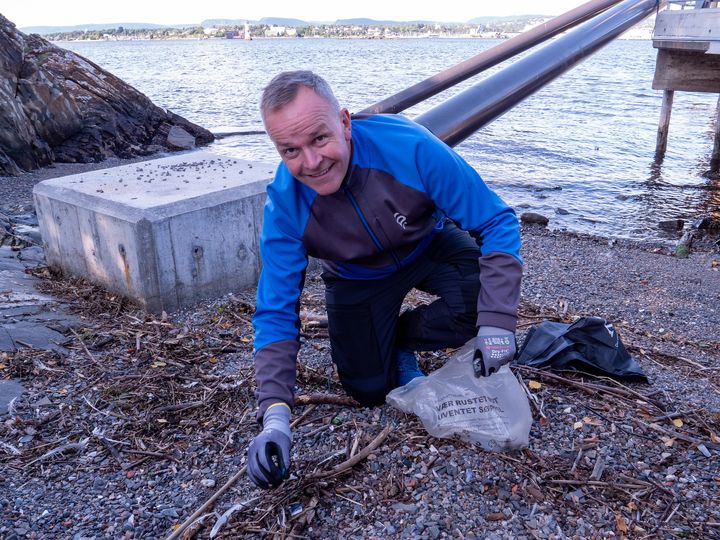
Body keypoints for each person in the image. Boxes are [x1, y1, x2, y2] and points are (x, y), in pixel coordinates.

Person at [246, 70, 522, 489]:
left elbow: (497, 221)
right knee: (367, 388)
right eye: (291, 150)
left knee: (479, 304)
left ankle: (403, 335)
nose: (311, 162)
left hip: (425, 245)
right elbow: (275, 310)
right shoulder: (285, 207)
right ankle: (384, 341)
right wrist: (276, 418)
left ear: (344, 121)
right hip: (355, 276)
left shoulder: (409, 147)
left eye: (319, 138)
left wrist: (498, 324)